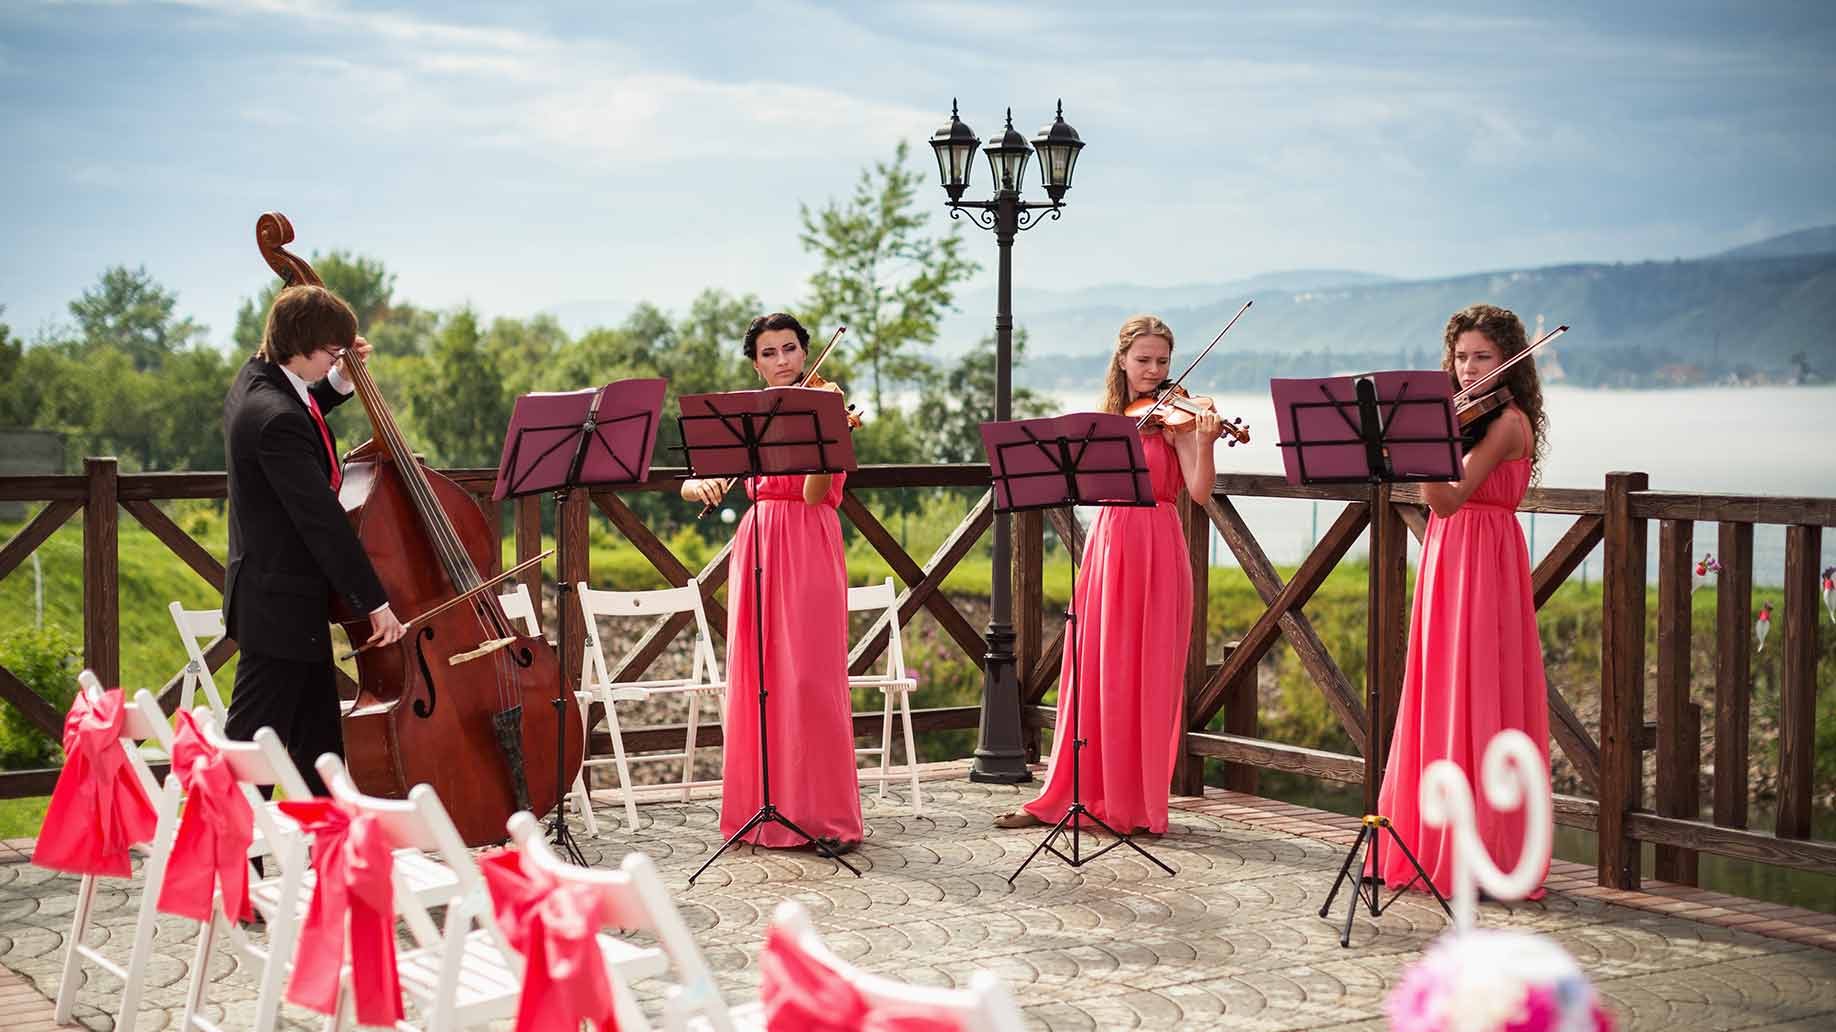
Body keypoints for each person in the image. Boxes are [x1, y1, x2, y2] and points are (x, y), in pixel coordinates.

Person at [994, 314, 1222, 835]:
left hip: (1159, 545)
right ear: (1121, 360)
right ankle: (1071, 793)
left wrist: (1205, 441)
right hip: (1109, 541)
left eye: (1162, 361)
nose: (1153, 370)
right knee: (1094, 668)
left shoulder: (1179, 419)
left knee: (1146, 675)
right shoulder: (1109, 419)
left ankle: (1134, 804)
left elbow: (1201, 491)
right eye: (1143, 360)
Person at [1373, 302, 1552, 898]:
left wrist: (1418, 444)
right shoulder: (1468, 418)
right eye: (1461, 357)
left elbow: (1447, 499)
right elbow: (1442, 502)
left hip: (1481, 556)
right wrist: (1424, 439)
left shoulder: (1506, 423)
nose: (1470, 368)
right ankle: (1433, 838)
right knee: (1441, 687)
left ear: (1509, 365)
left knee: (1475, 690)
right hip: (1453, 554)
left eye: (1484, 357)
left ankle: (1478, 852)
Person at [681, 312, 864, 852]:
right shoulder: (743, 416)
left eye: (789, 349)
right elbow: (691, 485)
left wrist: (825, 439)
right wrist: (705, 485)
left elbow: (812, 496)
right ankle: (760, 813)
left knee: (810, 680)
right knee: (757, 679)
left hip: (808, 539)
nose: (782, 361)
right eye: (769, 353)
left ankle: (827, 819)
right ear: (755, 363)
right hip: (757, 539)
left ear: (805, 353)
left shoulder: (825, 406)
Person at [222, 284, 405, 795]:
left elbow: (303, 406)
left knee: (318, 753)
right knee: (254, 753)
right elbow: (324, 521)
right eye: (331, 352)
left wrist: (339, 382)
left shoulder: (258, 381)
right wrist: (373, 601)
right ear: (302, 347)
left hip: (281, 602)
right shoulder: (275, 420)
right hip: (278, 606)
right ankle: (226, 856)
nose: (335, 360)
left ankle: (329, 855)